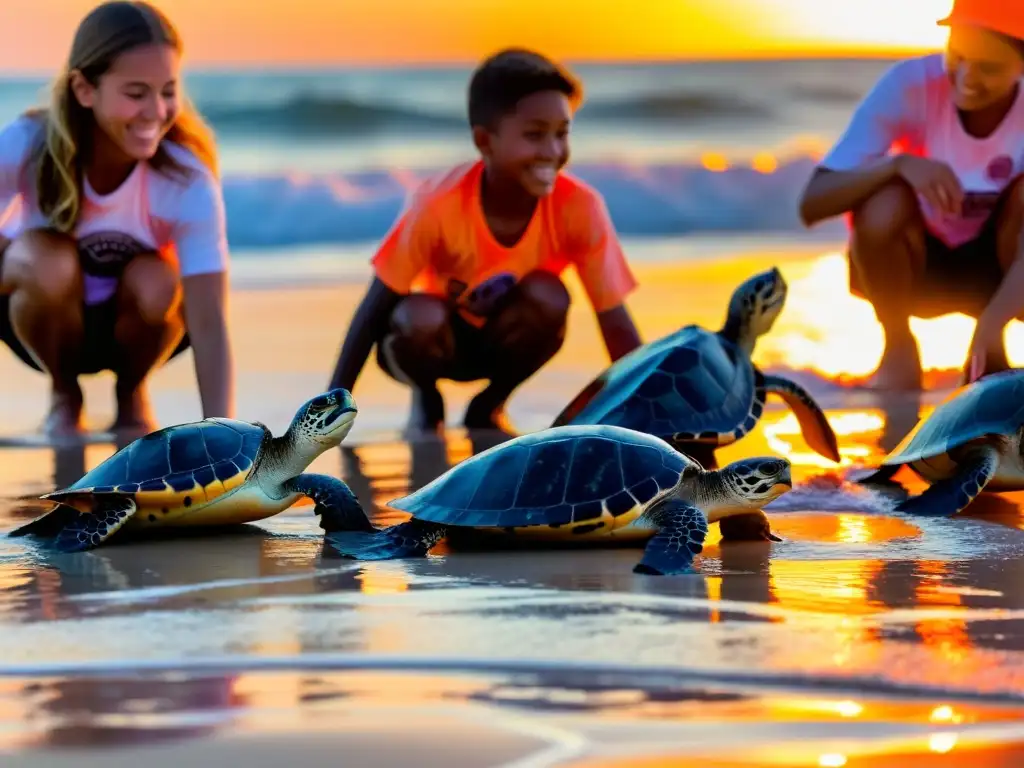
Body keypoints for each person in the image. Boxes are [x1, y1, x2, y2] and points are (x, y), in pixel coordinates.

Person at [327, 48, 642, 435]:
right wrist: (328, 414)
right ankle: (427, 401)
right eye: (534, 134)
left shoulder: (580, 206)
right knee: (418, 316)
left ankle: (490, 404)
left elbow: (615, 322)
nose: (553, 151)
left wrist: (649, 412)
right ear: (484, 141)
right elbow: (375, 309)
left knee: (551, 295)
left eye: (562, 133)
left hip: (505, 342)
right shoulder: (438, 203)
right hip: (433, 344)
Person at [0, 1, 234, 437]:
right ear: (84, 89)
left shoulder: (186, 177)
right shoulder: (24, 144)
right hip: (42, 321)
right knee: (42, 260)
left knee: (159, 278)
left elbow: (208, 320)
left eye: (168, 90)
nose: (156, 110)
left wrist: (225, 440)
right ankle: (64, 395)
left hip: (142, 326)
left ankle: (133, 394)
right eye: (135, 92)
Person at [797, 0, 1024, 391]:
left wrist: (991, 323)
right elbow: (813, 202)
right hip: (917, 269)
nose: (967, 77)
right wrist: (897, 165)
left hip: (1002, 271)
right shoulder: (910, 84)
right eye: (958, 56)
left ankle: (992, 345)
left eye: (989, 67)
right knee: (883, 198)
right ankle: (898, 348)